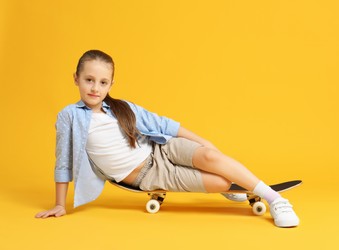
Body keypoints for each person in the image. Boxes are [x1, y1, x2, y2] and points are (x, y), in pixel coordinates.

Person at [35, 50, 299, 227]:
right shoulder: (69, 117)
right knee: (222, 181)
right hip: (147, 175)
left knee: (209, 156)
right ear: (76, 79)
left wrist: (206, 143)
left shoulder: (122, 107)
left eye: (103, 82)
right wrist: (60, 204)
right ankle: (231, 185)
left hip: (159, 148)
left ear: (111, 84)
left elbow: (163, 124)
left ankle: (276, 200)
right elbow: (63, 160)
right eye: (89, 80)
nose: (95, 88)